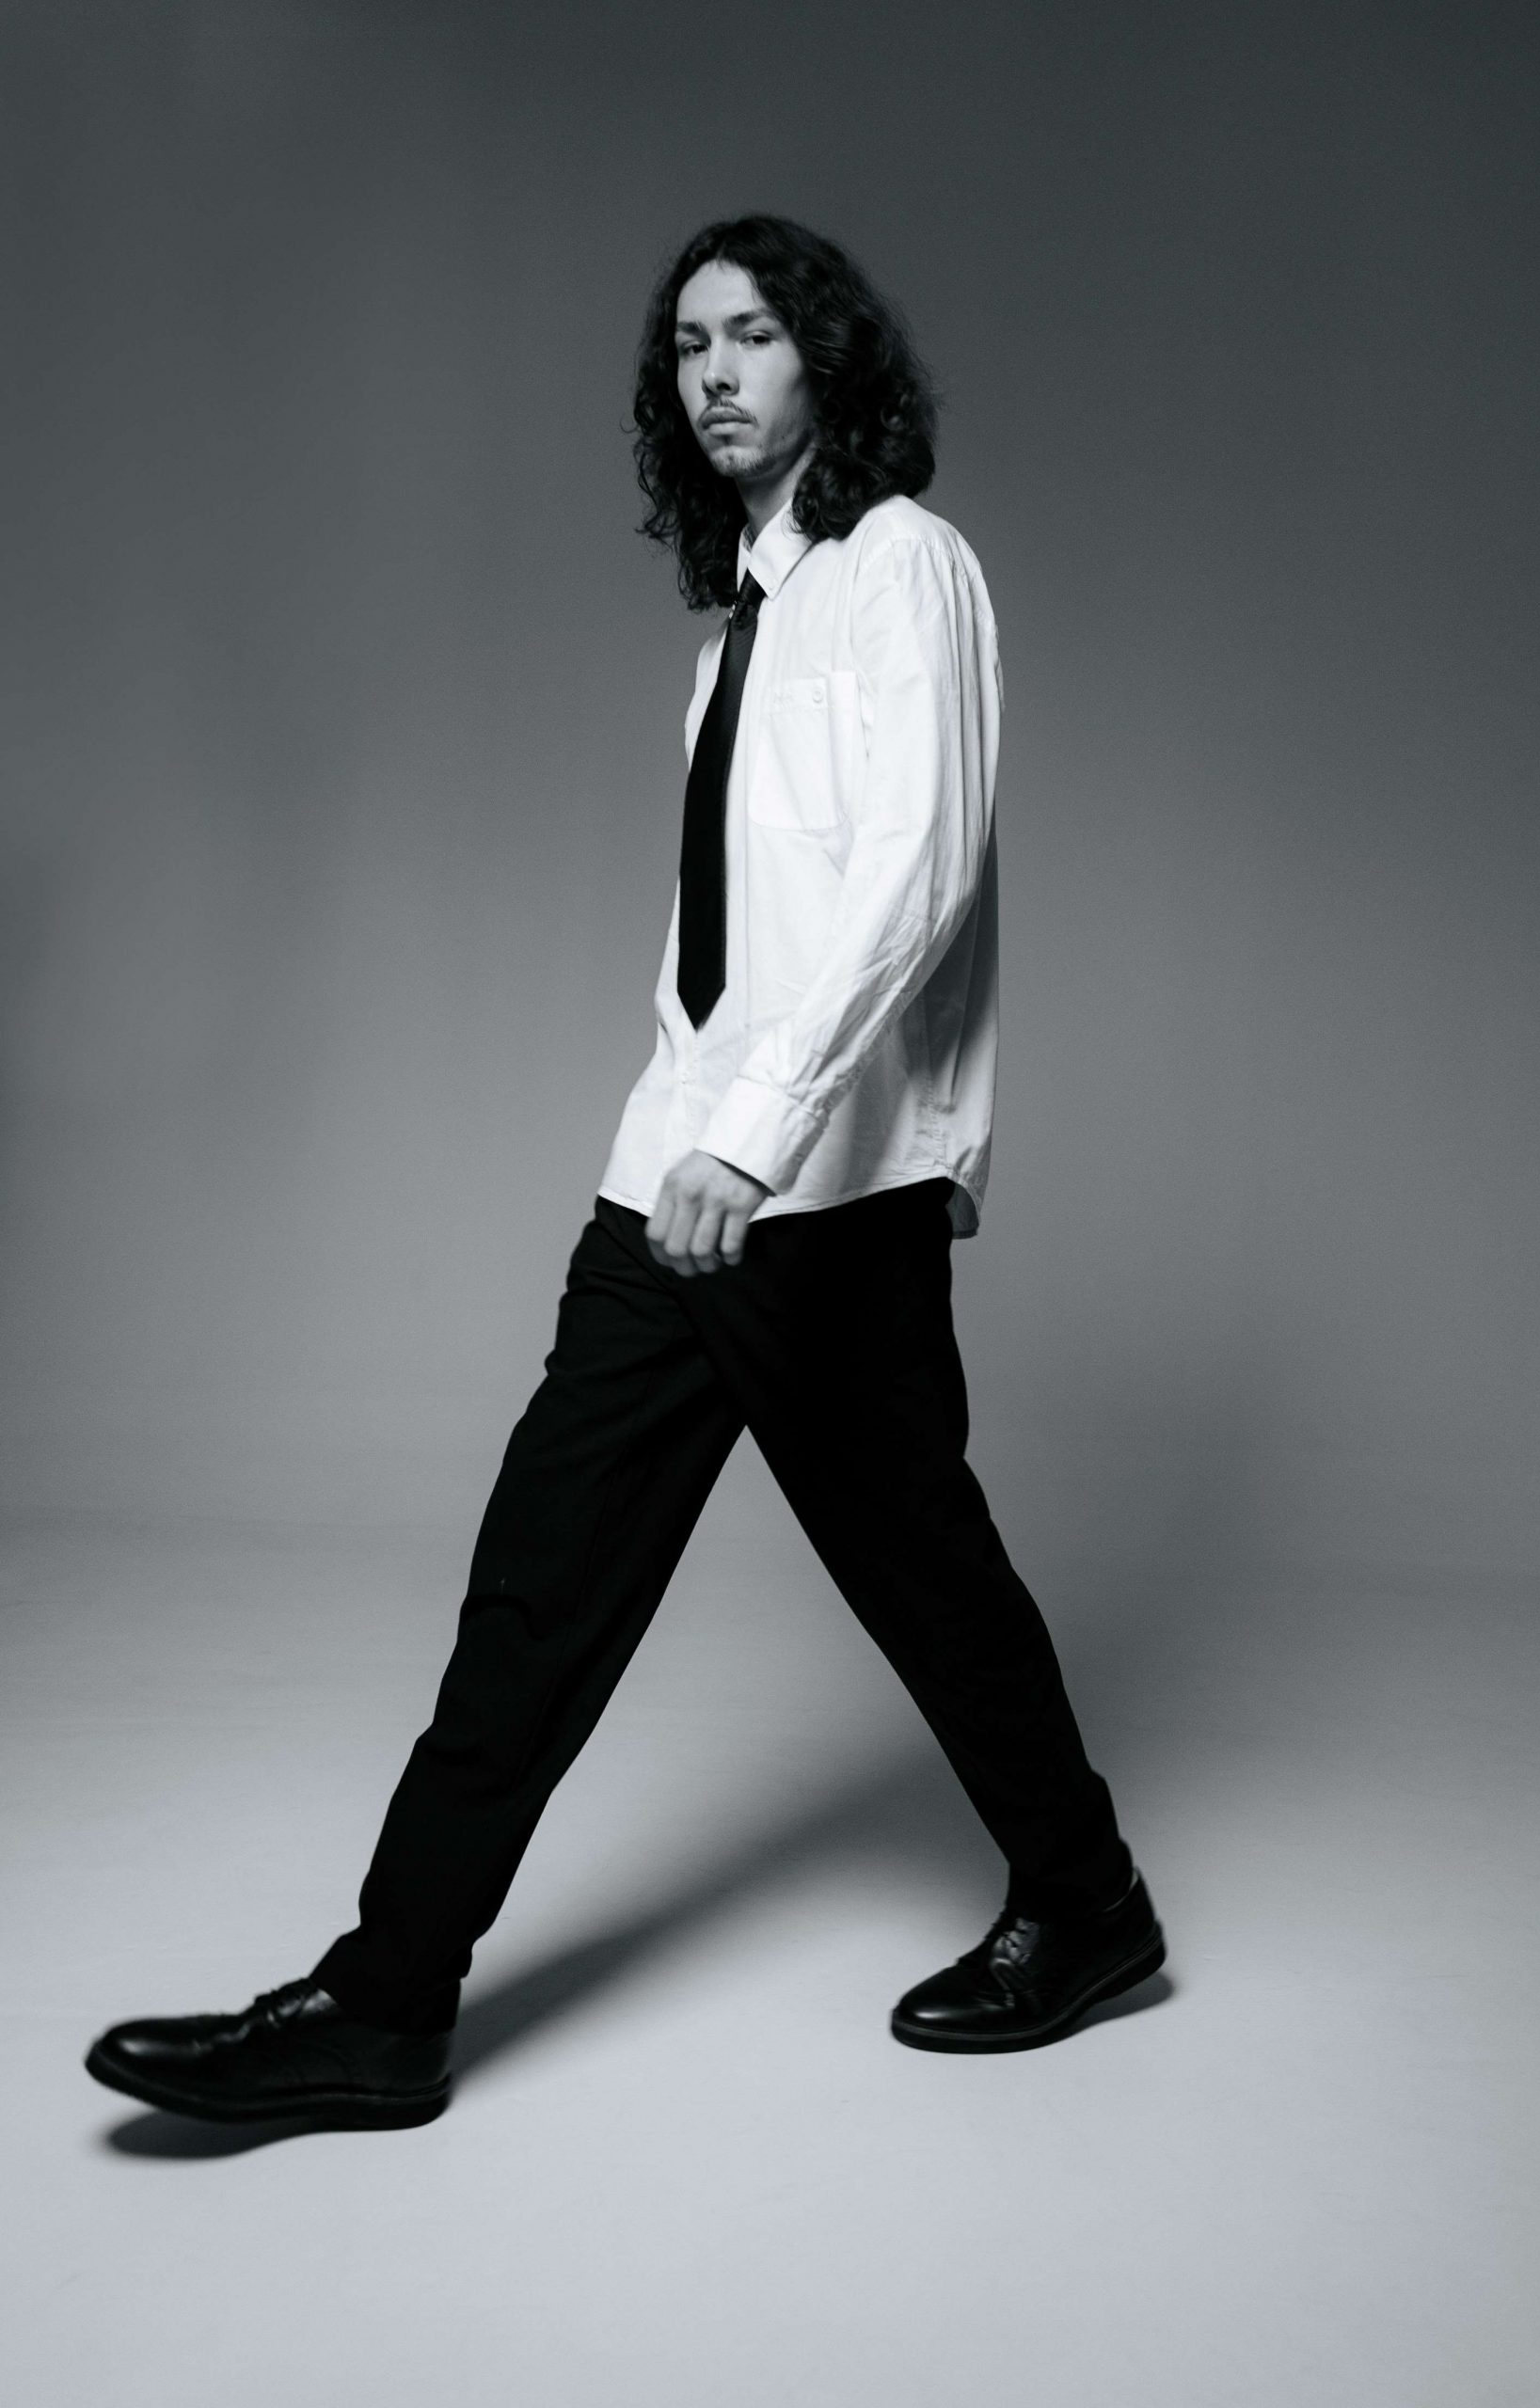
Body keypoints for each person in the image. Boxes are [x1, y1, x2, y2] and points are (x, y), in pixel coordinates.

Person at [85, 214, 1165, 2131]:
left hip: (818, 1193)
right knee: (541, 1583)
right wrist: (679, 1127)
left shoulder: (904, 569)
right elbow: (732, 941)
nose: (717, 374)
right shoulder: (741, 626)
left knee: (925, 1573)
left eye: (755, 335)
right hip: (693, 1177)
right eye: (688, 347)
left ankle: (1083, 1903)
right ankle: (382, 2004)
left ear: (831, 358)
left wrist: (777, 1134)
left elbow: (917, 878)